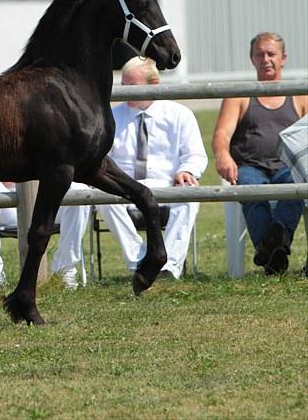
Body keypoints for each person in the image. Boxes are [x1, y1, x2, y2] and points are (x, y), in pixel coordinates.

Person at [52, 56, 208, 287]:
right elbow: (100, 158)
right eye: (122, 86)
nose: (124, 92)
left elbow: (196, 154)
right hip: (123, 186)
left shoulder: (180, 114)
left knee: (189, 196)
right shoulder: (111, 116)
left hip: (165, 184)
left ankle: (168, 267)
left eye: (131, 87)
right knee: (102, 196)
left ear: (153, 84)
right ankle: (139, 262)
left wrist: (187, 170)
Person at [213, 32, 308, 274]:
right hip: (249, 166)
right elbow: (222, 135)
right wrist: (222, 155)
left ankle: (270, 248)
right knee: (250, 187)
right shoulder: (240, 95)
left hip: (287, 167)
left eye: (271, 54)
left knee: (296, 183)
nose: (265, 59)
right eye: (259, 54)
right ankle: (277, 243)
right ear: (251, 59)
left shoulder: (299, 94)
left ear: (283, 58)